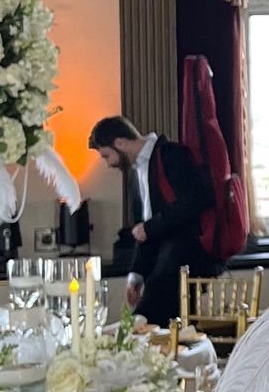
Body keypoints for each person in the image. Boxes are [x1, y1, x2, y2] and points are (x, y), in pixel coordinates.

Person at [88, 113, 214, 328]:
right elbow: (144, 229)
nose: (108, 164)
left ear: (120, 143)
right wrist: (136, 275)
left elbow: (197, 201)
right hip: (162, 261)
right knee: (147, 323)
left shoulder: (172, 154)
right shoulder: (135, 173)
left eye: (106, 156)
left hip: (185, 258)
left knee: (146, 323)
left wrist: (150, 227)